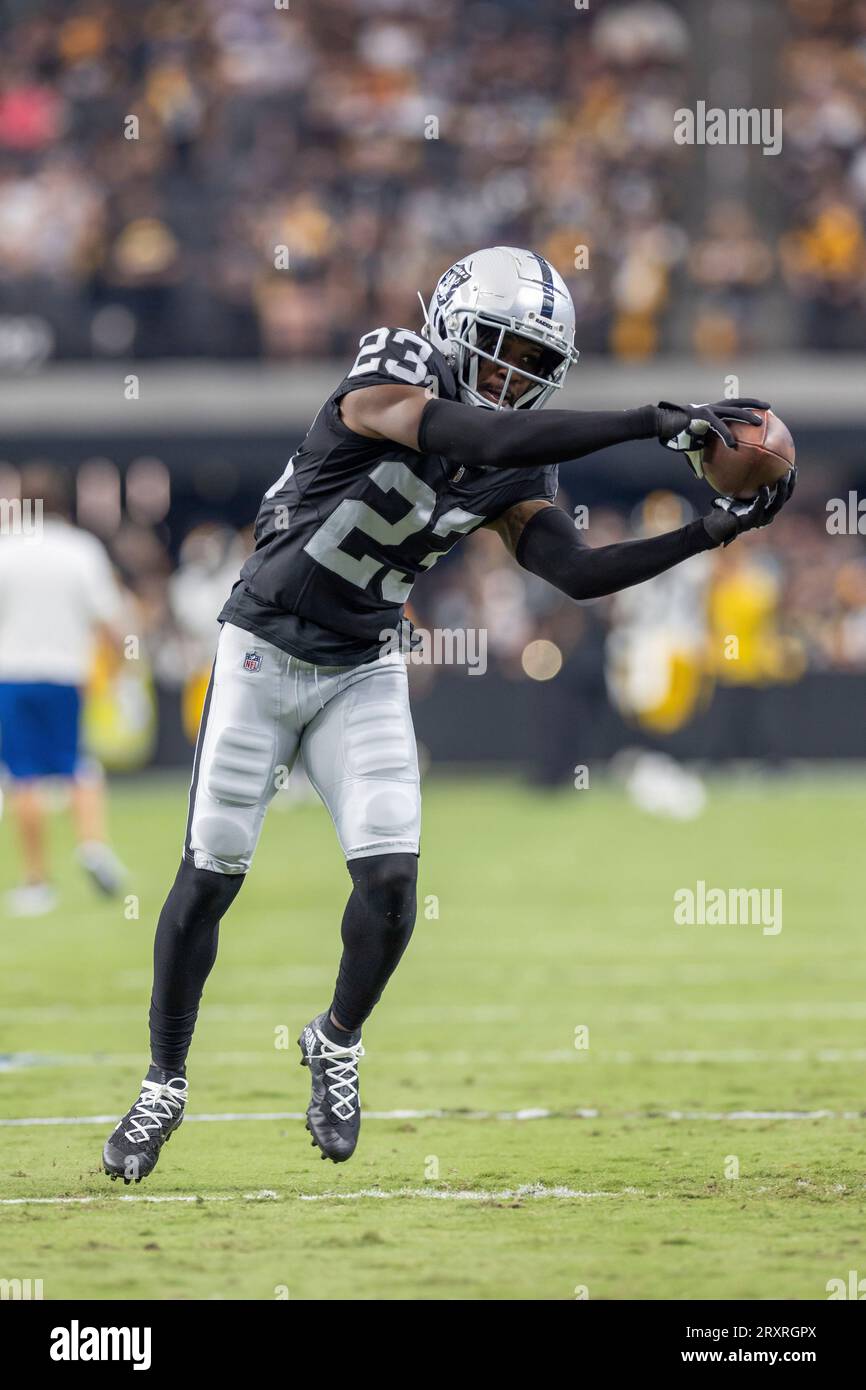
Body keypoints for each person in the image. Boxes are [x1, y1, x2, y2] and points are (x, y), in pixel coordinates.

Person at [102, 246, 795, 1182]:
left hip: (363, 664)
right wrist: (648, 421)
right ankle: (164, 1082)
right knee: (212, 873)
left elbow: (578, 573)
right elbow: (468, 439)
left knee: (391, 884)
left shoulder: (519, 464)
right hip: (261, 649)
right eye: (499, 350)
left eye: (531, 366)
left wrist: (709, 531)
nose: (511, 379)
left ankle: (336, 1042)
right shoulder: (396, 363)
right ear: (455, 325)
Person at [0, 463, 127, 915]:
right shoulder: (81, 549)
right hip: (67, 674)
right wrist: (117, 672)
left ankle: (37, 883)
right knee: (76, 764)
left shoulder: (7, 549)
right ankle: (92, 844)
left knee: (24, 777)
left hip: (13, 675)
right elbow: (111, 621)